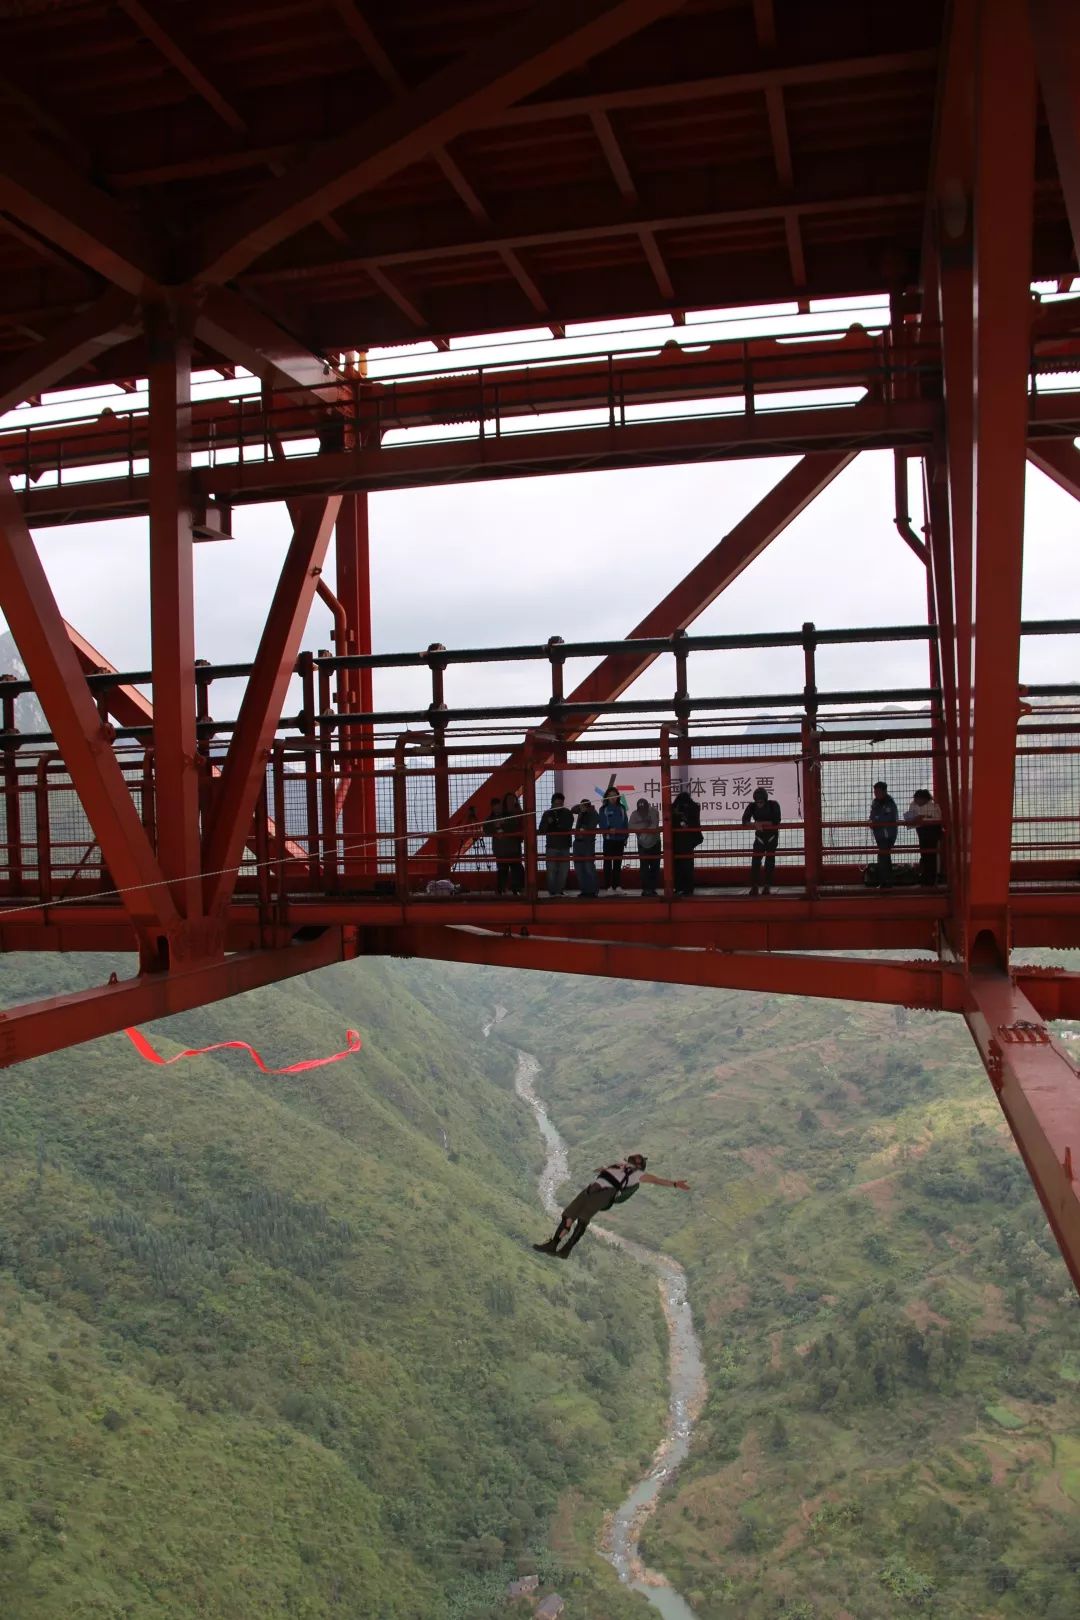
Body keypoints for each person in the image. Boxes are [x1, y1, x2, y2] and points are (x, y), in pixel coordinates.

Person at [533, 1154, 691, 1259]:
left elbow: (657, 1181)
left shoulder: (637, 1175)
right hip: (591, 1188)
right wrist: (604, 1169)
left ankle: (566, 1248)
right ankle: (553, 1244)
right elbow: (605, 1170)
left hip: (605, 1193)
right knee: (568, 1216)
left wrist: (675, 1184)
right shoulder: (619, 1165)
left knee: (582, 1218)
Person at [741, 786, 782, 895]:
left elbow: (776, 821)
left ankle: (767, 885)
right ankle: (754, 885)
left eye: (761, 802)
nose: (759, 804)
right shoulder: (752, 806)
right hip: (759, 837)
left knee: (769, 861)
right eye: (757, 802)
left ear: (765, 800)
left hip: (772, 837)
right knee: (755, 861)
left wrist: (761, 824)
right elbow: (744, 821)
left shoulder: (773, 805)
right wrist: (754, 824)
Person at [904, 788, 943, 885]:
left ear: (925, 799)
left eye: (918, 799)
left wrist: (923, 818)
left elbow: (939, 819)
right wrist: (917, 819)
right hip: (921, 831)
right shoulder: (913, 804)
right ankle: (925, 878)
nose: (917, 801)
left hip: (932, 832)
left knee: (932, 856)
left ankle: (932, 879)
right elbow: (909, 820)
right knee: (924, 855)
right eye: (916, 799)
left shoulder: (933, 805)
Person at [538, 791, 574, 896]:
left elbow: (567, 827)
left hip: (564, 846)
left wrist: (552, 826)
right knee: (551, 871)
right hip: (552, 846)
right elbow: (541, 829)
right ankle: (552, 892)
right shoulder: (547, 813)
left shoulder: (567, 813)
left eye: (560, 804)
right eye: (556, 804)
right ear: (552, 803)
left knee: (563, 871)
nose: (558, 806)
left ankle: (559, 890)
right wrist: (549, 824)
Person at [492, 791, 525, 896]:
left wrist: (500, 825)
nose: (511, 802)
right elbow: (487, 825)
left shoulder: (519, 813)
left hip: (514, 845)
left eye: (513, 800)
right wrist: (498, 826)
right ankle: (501, 890)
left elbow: (515, 826)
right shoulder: (499, 813)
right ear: (505, 802)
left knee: (517, 868)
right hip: (502, 847)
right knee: (503, 869)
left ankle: (516, 889)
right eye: (509, 800)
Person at [598, 785, 629, 892]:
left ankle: (617, 885)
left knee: (617, 863)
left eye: (614, 795)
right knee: (607, 863)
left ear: (618, 797)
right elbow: (602, 823)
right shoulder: (603, 809)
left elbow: (625, 823)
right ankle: (608, 886)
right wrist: (608, 829)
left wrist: (626, 836)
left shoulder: (622, 808)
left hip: (620, 840)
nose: (612, 798)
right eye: (610, 796)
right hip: (609, 840)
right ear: (606, 797)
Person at [672, 790, 703, 895]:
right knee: (687, 866)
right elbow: (695, 823)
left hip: (676, 842)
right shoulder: (693, 807)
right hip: (688, 842)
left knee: (678, 866)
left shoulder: (675, 808)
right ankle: (688, 888)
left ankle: (679, 887)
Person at [868, 780, 899, 883]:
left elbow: (888, 818)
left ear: (884, 791)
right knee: (884, 856)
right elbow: (872, 816)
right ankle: (886, 881)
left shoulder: (890, 803)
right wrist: (871, 821)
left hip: (887, 835)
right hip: (879, 834)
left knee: (883, 856)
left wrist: (875, 821)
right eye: (875, 792)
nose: (876, 794)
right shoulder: (875, 803)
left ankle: (885, 882)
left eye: (878, 791)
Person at [629, 796, 661, 895]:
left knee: (655, 866)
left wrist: (641, 829)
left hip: (655, 842)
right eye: (641, 811)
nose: (643, 813)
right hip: (642, 844)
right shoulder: (634, 814)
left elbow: (654, 826)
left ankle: (652, 888)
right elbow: (630, 826)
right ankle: (646, 889)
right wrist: (644, 825)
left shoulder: (654, 812)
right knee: (644, 867)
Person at [573, 797, 599, 897]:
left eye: (584, 806)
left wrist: (589, 810)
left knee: (588, 867)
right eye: (581, 805)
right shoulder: (580, 812)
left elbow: (593, 823)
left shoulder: (593, 813)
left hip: (588, 843)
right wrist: (580, 808)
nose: (582, 807)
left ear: (588, 806)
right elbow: (573, 810)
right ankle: (584, 890)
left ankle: (593, 891)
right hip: (578, 842)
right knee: (579, 868)